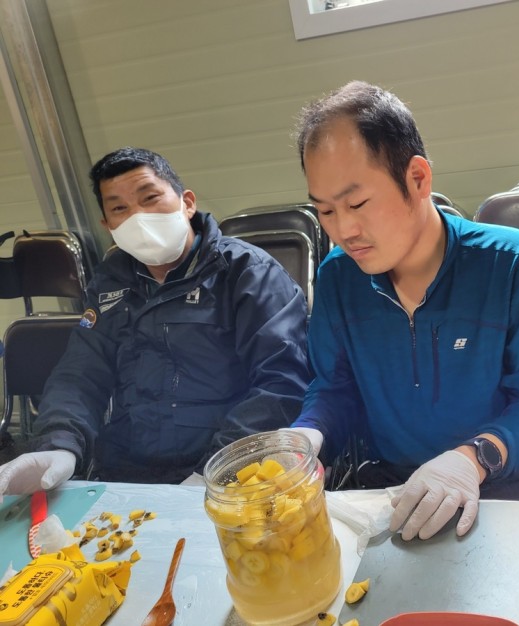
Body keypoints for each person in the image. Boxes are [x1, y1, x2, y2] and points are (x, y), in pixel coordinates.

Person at [288, 81, 519, 542]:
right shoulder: (339, 278)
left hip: (506, 479)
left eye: (357, 203)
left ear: (418, 179)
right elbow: (336, 388)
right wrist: (309, 435)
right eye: (325, 211)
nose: (344, 229)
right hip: (391, 485)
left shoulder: (517, 265)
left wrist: (471, 459)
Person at [0, 147, 311, 493]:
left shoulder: (247, 273)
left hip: (229, 473)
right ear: (108, 226)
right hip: (127, 474)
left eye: (150, 198)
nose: (138, 217)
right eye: (120, 209)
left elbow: (281, 383)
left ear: (187, 203)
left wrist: (218, 470)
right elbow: (80, 373)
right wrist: (59, 443)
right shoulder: (109, 283)